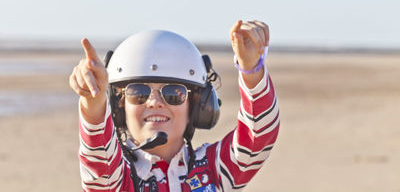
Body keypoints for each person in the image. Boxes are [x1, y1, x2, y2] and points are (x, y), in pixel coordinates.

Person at [69, 20, 280, 192]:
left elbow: (257, 138)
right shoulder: (119, 180)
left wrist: (252, 70)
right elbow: (99, 164)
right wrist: (93, 101)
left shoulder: (212, 168)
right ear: (119, 108)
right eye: (137, 92)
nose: (154, 102)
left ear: (197, 107)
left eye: (174, 93)